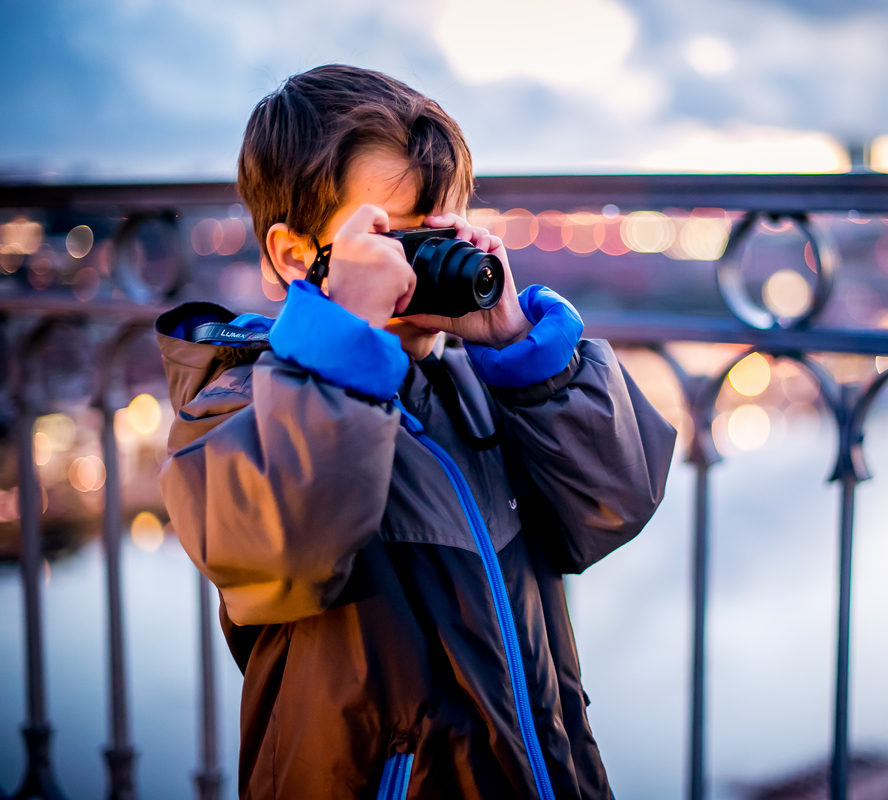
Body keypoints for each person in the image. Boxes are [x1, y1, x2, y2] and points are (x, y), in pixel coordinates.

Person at [156, 64, 675, 800]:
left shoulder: (469, 385)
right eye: (394, 242)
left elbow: (612, 506)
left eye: (440, 235)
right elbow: (287, 544)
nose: (423, 271)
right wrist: (342, 347)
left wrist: (526, 354)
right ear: (295, 257)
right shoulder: (241, 407)